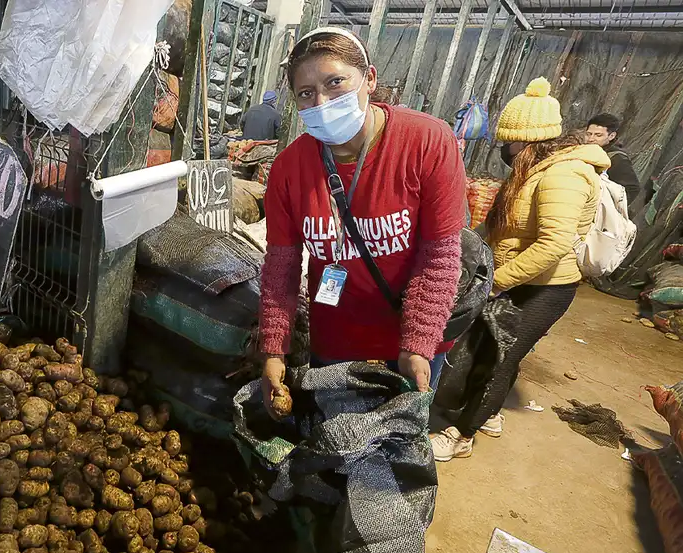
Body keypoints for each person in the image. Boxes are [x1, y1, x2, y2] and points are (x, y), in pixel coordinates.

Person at [259, 27, 467, 415]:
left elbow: (439, 257)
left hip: (409, 341)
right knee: (335, 451)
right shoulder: (290, 168)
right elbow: (281, 268)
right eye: (306, 93)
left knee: (391, 459)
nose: (321, 102)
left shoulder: (427, 142)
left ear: (369, 79)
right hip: (335, 342)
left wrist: (417, 344)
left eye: (335, 82)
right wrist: (273, 349)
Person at [429, 78, 609, 462]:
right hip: (516, 278)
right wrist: (461, 246)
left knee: (496, 357)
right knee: (489, 349)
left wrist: (496, 282)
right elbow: (499, 226)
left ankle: (461, 435)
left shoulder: (564, 175)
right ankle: (488, 412)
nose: (503, 151)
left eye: (508, 143)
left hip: (543, 289)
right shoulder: (534, 169)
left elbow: (554, 243)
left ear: (527, 141)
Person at [585, 113, 641, 203]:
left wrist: (606, 205)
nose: (591, 139)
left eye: (598, 135)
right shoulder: (583, 151)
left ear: (611, 136)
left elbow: (631, 189)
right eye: (589, 134)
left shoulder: (617, 158)